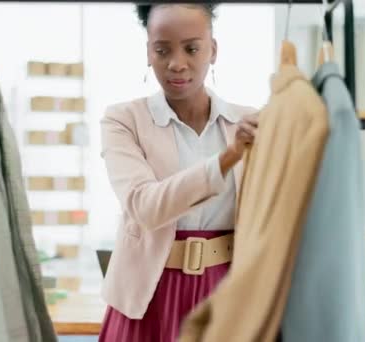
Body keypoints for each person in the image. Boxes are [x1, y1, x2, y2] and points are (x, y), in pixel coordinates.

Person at [98, 3, 259, 341]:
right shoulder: (123, 120)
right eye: (162, 50)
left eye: (191, 48)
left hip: (226, 291)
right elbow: (145, 206)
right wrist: (228, 158)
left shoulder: (248, 123)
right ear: (148, 52)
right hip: (148, 297)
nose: (176, 63)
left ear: (212, 50)